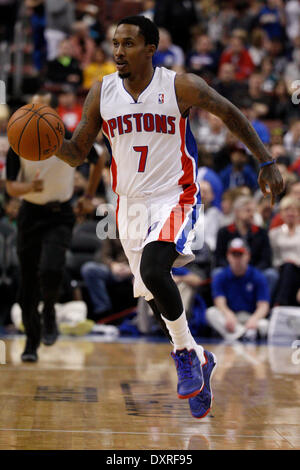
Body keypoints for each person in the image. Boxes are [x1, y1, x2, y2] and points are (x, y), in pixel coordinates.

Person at [54, 16, 283, 419]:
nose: (119, 51)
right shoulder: (102, 91)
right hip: (129, 205)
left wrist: (265, 160)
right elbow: (76, 152)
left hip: (176, 194)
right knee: (157, 299)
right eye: (115, 44)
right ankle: (198, 356)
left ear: (150, 48)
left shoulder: (180, 85)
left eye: (128, 43)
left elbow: (230, 113)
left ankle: (184, 355)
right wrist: (47, 141)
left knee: (157, 270)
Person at [5, 91, 104, 362]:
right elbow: (11, 186)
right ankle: (31, 342)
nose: (38, 108)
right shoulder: (18, 139)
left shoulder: (70, 136)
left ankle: (49, 310)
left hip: (61, 213)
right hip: (30, 213)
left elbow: (99, 159)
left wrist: (87, 197)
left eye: (43, 104)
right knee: (26, 282)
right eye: (33, 104)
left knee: (50, 268)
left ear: (52, 110)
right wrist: (29, 186)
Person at [207, 238, 270, 342]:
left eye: (240, 254)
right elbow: (219, 302)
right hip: (231, 319)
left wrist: (254, 319)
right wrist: (228, 314)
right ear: (228, 256)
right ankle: (243, 335)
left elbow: (263, 305)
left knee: (265, 324)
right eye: (234, 255)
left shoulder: (258, 276)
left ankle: (238, 335)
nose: (237, 259)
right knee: (211, 313)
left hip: (249, 318)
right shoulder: (220, 276)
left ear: (248, 256)